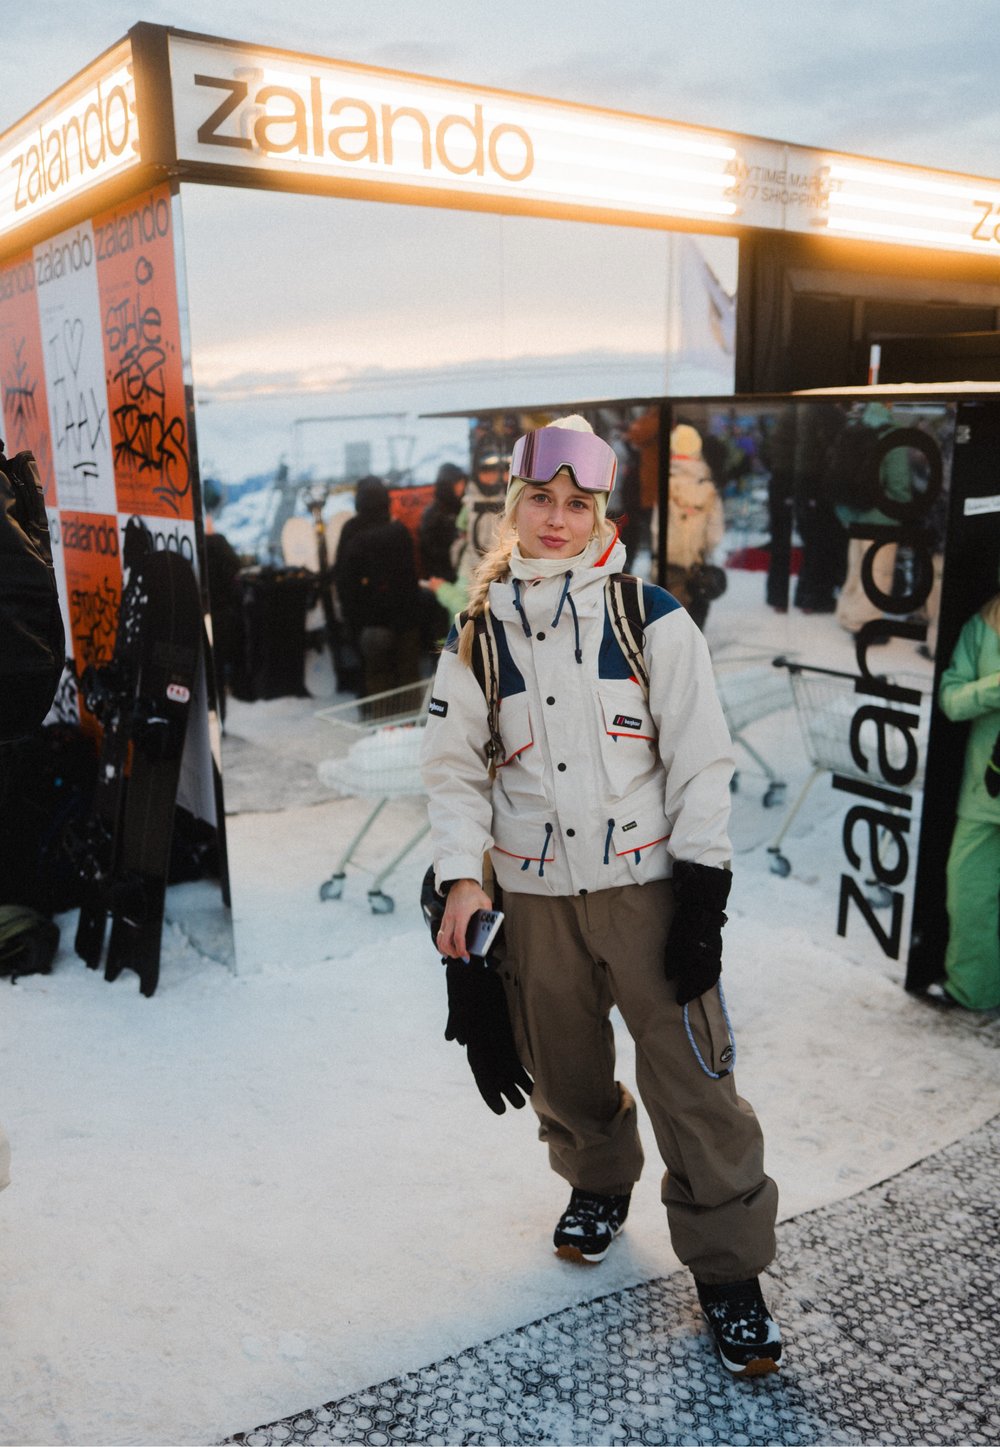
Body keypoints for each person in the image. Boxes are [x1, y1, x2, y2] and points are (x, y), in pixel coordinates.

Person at [419, 415, 781, 1377]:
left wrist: (703, 893)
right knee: (562, 1068)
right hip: (535, 900)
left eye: (576, 503)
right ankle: (598, 1180)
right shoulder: (479, 633)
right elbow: (453, 771)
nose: (555, 518)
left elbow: (702, 760)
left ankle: (730, 1269)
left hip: (649, 891)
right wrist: (462, 876)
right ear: (513, 501)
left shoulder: (649, 615)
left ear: (600, 511)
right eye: (540, 498)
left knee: (694, 1084)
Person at [932, 592, 1000, 1011]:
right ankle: (972, 988)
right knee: (968, 896)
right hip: (984, 792)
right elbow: (951, 699)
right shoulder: (985, 623)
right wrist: (995, 687)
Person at [334, 475, 423, 699]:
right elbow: (411, 577)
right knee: (408, 681)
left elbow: (344, 583)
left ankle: (382, 730)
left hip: (371, 626)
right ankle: (412, 731)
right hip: (406, 622)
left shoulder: (352, 533)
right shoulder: (400, 531)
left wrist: (352, 623)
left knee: (378, 683)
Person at [666, 423, 726, 631]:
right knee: (697, 606)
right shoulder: (708, 487)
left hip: (669, 561)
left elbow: (657, 527)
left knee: (668, 614)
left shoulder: (667, 483)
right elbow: (715, 531)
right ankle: (695, 647)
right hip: (695, 561)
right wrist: (706, 550)